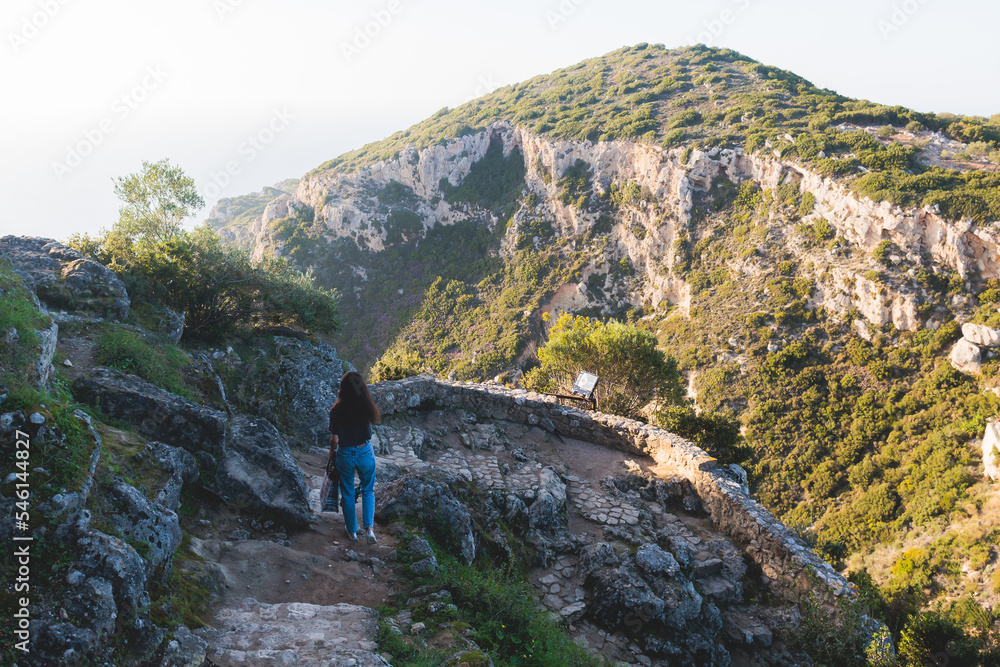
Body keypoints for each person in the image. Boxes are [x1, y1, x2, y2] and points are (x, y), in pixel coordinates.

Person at [328, 371, 381, 544]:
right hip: (364, 451)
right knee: (368, 490)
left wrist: (331, 454)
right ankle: (370, 531)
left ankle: (352, 532)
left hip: (345, 453)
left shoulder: (335, 410)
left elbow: (335, 439)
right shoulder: (365, 405)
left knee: (348, 493)